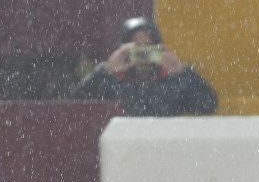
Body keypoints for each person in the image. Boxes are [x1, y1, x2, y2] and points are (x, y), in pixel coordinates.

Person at [69, 16, 218, 116]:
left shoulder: (173, 82)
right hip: (122, 151)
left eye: (148, 48)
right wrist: (105, 70)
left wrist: (183, 72)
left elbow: (208, 105)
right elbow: (75, 106)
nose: (143, 55)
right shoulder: (111, 81)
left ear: (158, 50)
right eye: (137, 48)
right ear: (124, 50)